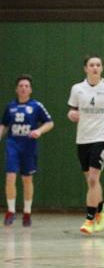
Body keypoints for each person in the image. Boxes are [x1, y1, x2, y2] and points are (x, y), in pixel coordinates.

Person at [67, 55, 104, 235]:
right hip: (83, 138)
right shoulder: (77, 89)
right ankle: (102, 209)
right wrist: (71, 115)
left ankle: (90, 218)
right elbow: (72, 110)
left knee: (93, 178)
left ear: (102, 68)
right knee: (91, 181)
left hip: (101, 137)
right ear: (85, 68)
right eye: (91, 65)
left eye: (98, 65)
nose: (95, 68)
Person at [1, 76, 54, 227]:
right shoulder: (10, 106)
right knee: (10, 177)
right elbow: (4, 124)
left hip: (29, 146)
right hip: (13, 145)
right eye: (21, 86)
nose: (23, 88)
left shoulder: (36, 106)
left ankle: (27, 212)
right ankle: (11, 211)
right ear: (16, 89)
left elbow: (50, 123)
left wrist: (39, 131)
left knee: (27, 179)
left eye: (26, 86)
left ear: (30, 89)